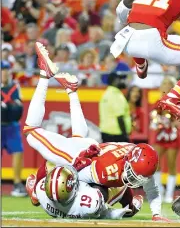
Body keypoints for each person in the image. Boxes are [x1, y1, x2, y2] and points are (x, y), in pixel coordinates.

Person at [23, 41, 169, 222]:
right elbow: (73, 173)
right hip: (80, 158)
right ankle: (45, 75)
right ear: (128, 161)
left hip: (95, 150)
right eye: (133, 173)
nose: (134, 179)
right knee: (31, 131)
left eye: (138, 176)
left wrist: (156, 215)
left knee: (81, 140)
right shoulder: (106, 170)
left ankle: (71, 90)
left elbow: (152, 189)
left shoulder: (139, 163)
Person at [26, 163, 134, 219]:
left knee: (50, 163)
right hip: (93, 196)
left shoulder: (41, 192)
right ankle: (131, 205)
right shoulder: (89, 203)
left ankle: (34, 195)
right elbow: (105, 213)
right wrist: (115, 213)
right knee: (111, 185)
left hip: (53, 204)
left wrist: (35, 190)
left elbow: (41, 172)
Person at [150, 77, 180, 203]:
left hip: (173, 137)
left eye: (168, 84)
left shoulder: (177, 102)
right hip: (160, 136)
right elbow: (154, 117)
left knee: (171, 164)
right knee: (156, 163)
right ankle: (159, 191)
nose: (165, 86)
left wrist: (175, 122)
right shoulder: (157, 102)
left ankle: (169, 194)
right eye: (164, 84)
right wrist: (158, 121)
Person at [1, 61, 27, 197]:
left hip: (11, 125)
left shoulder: (15, 87)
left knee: (18, 151)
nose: (4, 72)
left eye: (6, 70)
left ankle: (17, 183)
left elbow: (19, 106)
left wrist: (14, 107)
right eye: (2, 70)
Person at [99, 72, 131, 143]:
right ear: (115, 81)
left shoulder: (106, 94)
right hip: (117, 134)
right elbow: (119, 117)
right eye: (120, 79)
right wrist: (125, 135)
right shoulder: (116, 96)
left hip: (105, 132)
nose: (123, 82)